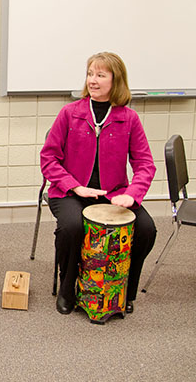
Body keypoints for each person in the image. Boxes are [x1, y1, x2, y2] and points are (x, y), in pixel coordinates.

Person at [40, 51, 157, 315]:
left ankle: (124, 289)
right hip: (70, 192)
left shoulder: (129, 119)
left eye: (100, 75)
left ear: (116, 81)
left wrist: (133, 194)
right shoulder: (69, 113)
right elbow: (48, 158)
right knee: (71, 227)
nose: (93, 80)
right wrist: (75, 186)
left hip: (113, 194)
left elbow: (145, 164)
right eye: (90, 74)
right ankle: (68, 288)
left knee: (146, 229)